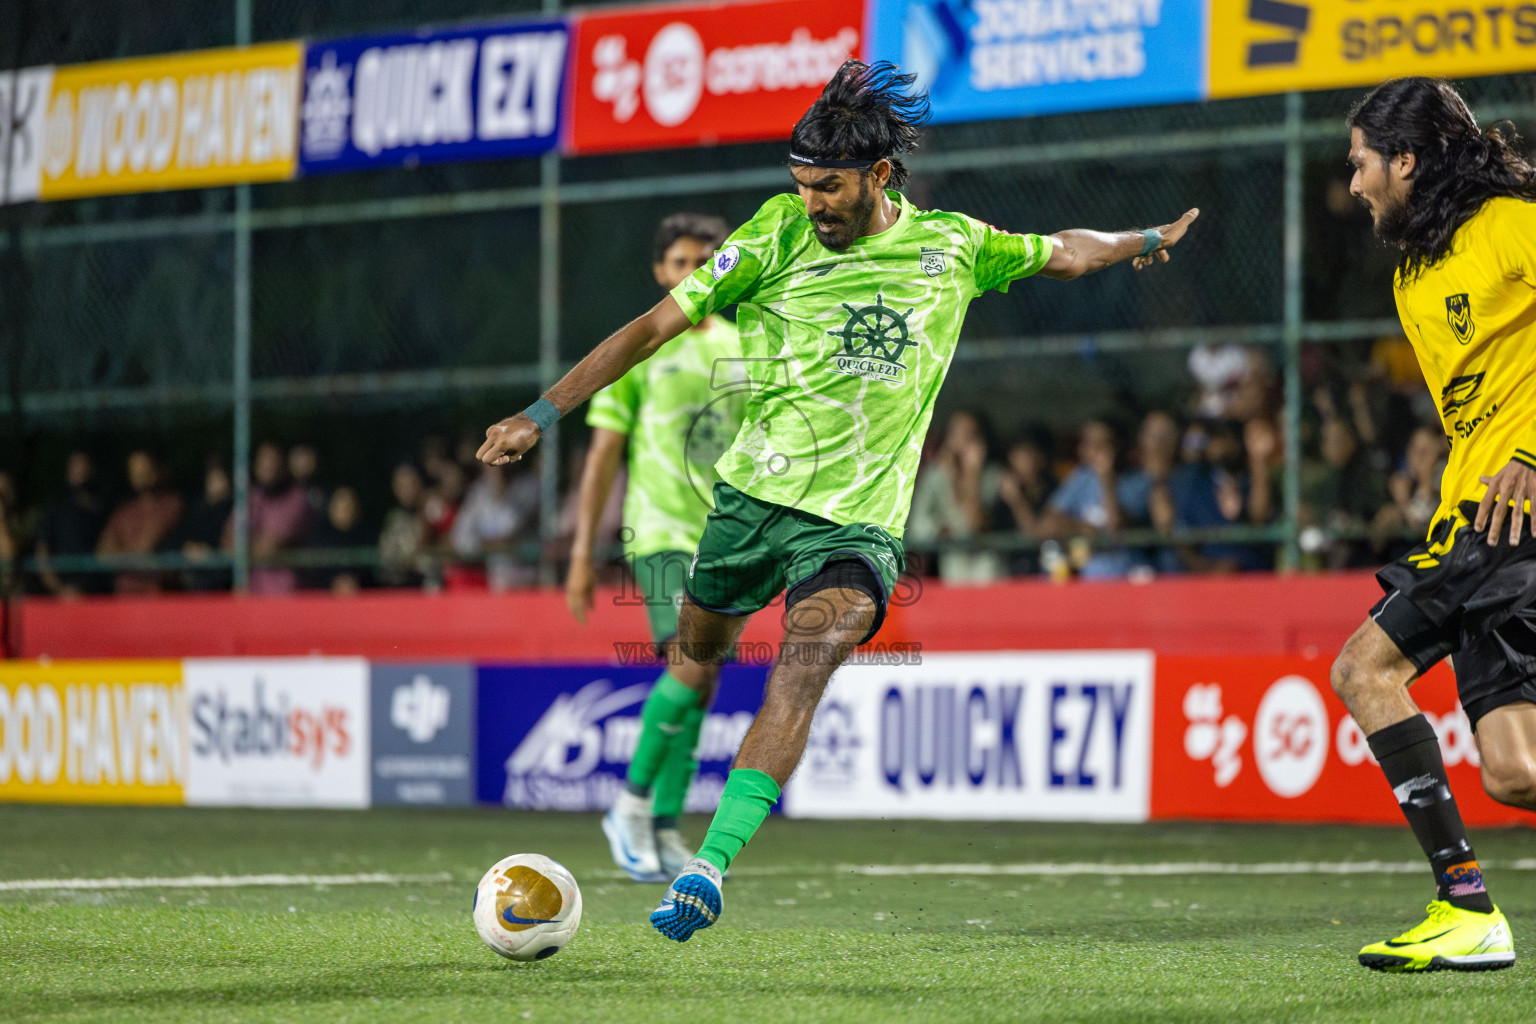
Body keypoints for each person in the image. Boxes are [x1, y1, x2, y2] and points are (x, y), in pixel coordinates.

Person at [476, 59, 1197, 942]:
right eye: (802, 183)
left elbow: (1067, 252)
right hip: (750, 504)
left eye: (829, 187)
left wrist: (1143, 239)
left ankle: (707, 864)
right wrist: (543, 412)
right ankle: (634, 808)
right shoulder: (775, 234)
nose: (812, 202)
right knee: (696, 658)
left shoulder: (954, 247)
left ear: (880, 175)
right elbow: (655, 325)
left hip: (856, 526)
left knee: (804, 665)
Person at [1330, 76, 1536, 973]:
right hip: (1474, 517)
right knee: (1516, 771)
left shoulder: (1511, 226)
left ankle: (1466, 907)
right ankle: (1471, 918)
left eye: (1361, 163)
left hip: (1513, 514)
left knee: (1363, 669)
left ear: (1406, 160)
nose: (1353, 184)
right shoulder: (1415, 277)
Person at [563, 212, 745, 882]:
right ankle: (631, 805)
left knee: (706, 676)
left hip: (723, 534)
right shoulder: (640, 347)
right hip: (660, 531)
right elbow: (603, 455)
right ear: (659, 272)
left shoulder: (743, 344)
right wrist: (582, 553)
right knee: (691, 668)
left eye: (706, 262)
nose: (693, 273)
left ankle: (665, 825)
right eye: (680, 263)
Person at [907, 409, 1004, 583]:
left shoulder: (994, 476)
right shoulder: (935, 476)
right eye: (955, 433)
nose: (961, 441)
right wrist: (940, 529)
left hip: (987, 568)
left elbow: (972, 526)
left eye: (969, 435)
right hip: (950, 567)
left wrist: (972, 474)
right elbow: (917, 526)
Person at [96, 450, 183, 594]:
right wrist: (135, 558)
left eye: (144, 468)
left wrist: (120, 557)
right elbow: (103, 554)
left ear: (157, 469)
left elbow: (145, 546)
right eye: (135, 470)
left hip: (157, 594)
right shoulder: (124, 512)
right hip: (125, 596)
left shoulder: (172, 505)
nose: (140, 474)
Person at [449, 460, 539, 591]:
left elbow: (509, 529)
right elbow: (459, 537)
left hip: (527, 577)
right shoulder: (479, 491)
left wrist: (499, 488)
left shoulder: (528, 486)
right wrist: (485, 544)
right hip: (495, 578)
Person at [34, 452, 108, 596]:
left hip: (100, 597)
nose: (81, 471)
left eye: (84, 466)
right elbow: (42, 556)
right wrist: (60, 590)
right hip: (64, 596)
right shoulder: (56, 513)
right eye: (75, 466)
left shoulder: (106, 514)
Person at [246, 441, 313, 594]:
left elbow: (269, 548)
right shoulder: (251, 499)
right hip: (252, 594)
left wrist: (244, 546)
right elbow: (228, 542)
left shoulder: (297, 500)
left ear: (283, 465)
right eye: (262, 462)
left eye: (272, 461)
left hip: (288, 595)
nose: (267, 467)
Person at [176, 456, 233, 591]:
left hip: (224, 582)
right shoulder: (197, 511)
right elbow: (181, 539)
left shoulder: (235, 510)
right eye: (212, 479)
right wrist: (188, 547)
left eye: (220, 478)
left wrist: (211, 553)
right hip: (197, 581)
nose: (216, 484)